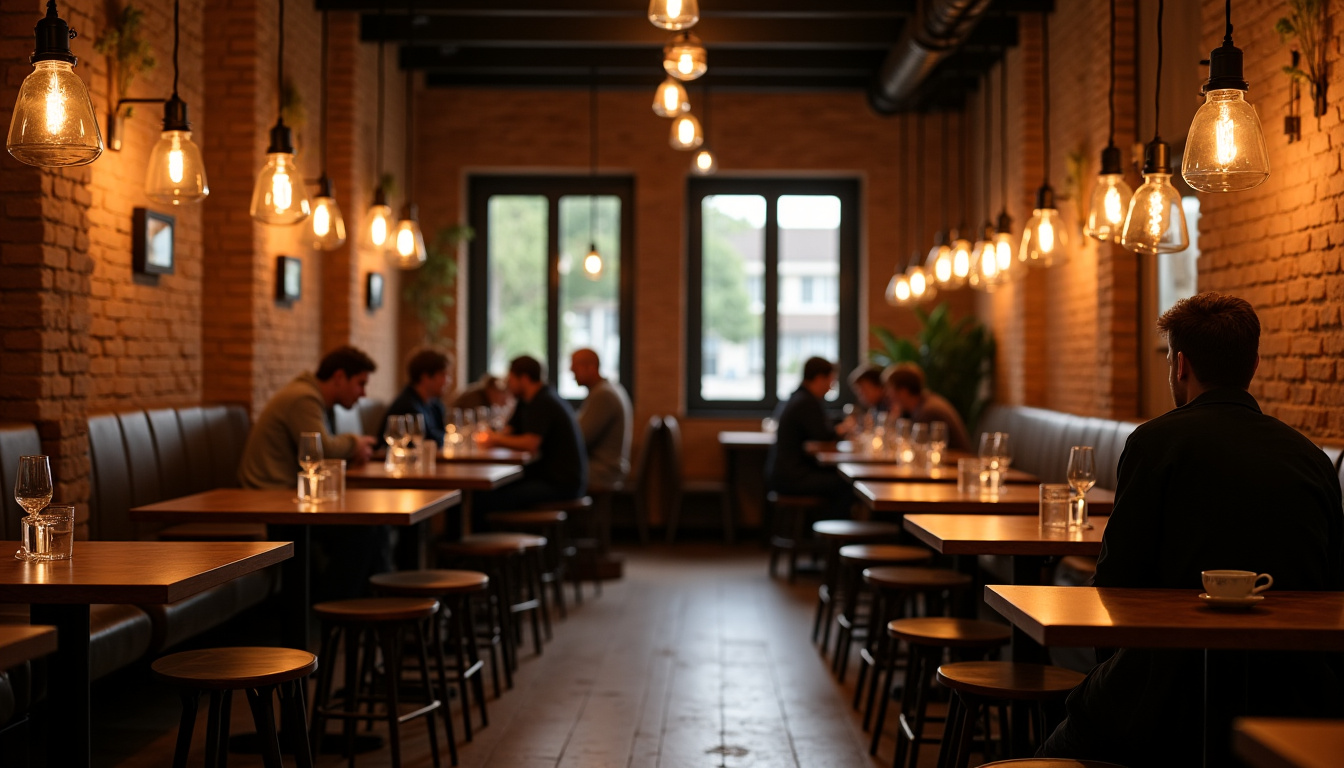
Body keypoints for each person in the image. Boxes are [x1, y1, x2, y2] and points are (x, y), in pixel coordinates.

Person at [1038, 293, 1344, 766]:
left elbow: (1117, 582)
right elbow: (1331, 586)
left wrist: (1113, 672)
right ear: (1254, 364)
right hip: (1293, 700)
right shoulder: (1313, 459)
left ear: (1180, 365)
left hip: (1162, 699)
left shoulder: (1154, 443)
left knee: (1054, 751)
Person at [237, 346, 383, 600]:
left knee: (374, 525)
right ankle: (332, 609)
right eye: (360, 384)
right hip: (268, 500)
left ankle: (369, 607)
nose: (363, 394)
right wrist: (355, 443)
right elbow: (321, 451)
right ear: (339, 377)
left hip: (286, 498)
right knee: (364, 530)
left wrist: (351, 448)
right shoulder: (303, 398)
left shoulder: (313, 398)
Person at [475, 355, 587, 525]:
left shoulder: (544, 400)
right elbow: (509, 431)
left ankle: (482, 540)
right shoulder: (525, 401)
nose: (508, 384)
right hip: (544, 477)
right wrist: (496, 436)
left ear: (524, 379)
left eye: (511, 379)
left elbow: (530, 444)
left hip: (561, 485)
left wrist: (495, 439)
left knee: (486, 498)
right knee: (485, 492)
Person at [765, 356, 851, 518]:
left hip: (783, 474)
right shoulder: (806, 402)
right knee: (845, 484)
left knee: (839, 479)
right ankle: (829, 531)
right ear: (819, 378)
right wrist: (844, 429)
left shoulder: (798, 397)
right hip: (792, 478)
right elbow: (824, 436)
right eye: (831, 382)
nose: (830, 388)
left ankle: (822, 529)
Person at [570, 348, 632, 491]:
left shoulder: (603, 395)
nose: (571, 370)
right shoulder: (606, 389)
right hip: (604, 469)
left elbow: (580, 439)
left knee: (548, 474)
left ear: (591, 368)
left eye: (575, 367)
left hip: (602, 472)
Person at [883, 362, 972, 452]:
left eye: (890, 389)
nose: (888, 394)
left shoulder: (928, 412)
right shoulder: (923, 403)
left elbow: (918, 449)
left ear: (903, 391)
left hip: (953, 460)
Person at [382, 347, 451, 447]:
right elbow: (430, 442)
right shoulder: (407, 407)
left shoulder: (434, 405)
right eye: (443, 375)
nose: (448, 381)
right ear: (425, 377)